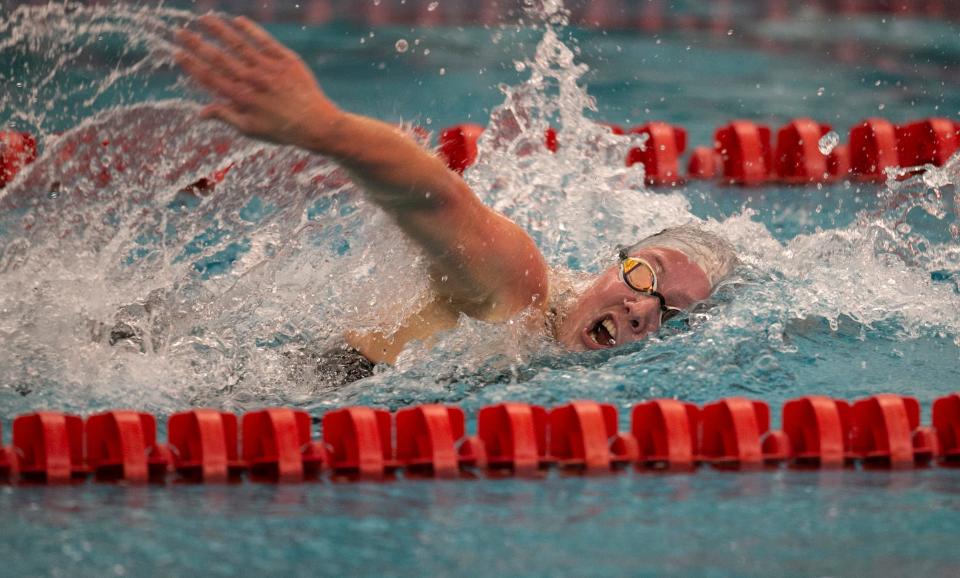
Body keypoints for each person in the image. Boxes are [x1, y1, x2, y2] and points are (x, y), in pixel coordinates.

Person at [172, 15, 737, 378]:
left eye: (673, 312)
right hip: (250, 386)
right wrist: (323, 127)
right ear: (611, 263)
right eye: (646, 274)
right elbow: (437, 198)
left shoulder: (559, 344)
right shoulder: (521, 290)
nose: (643, 308)